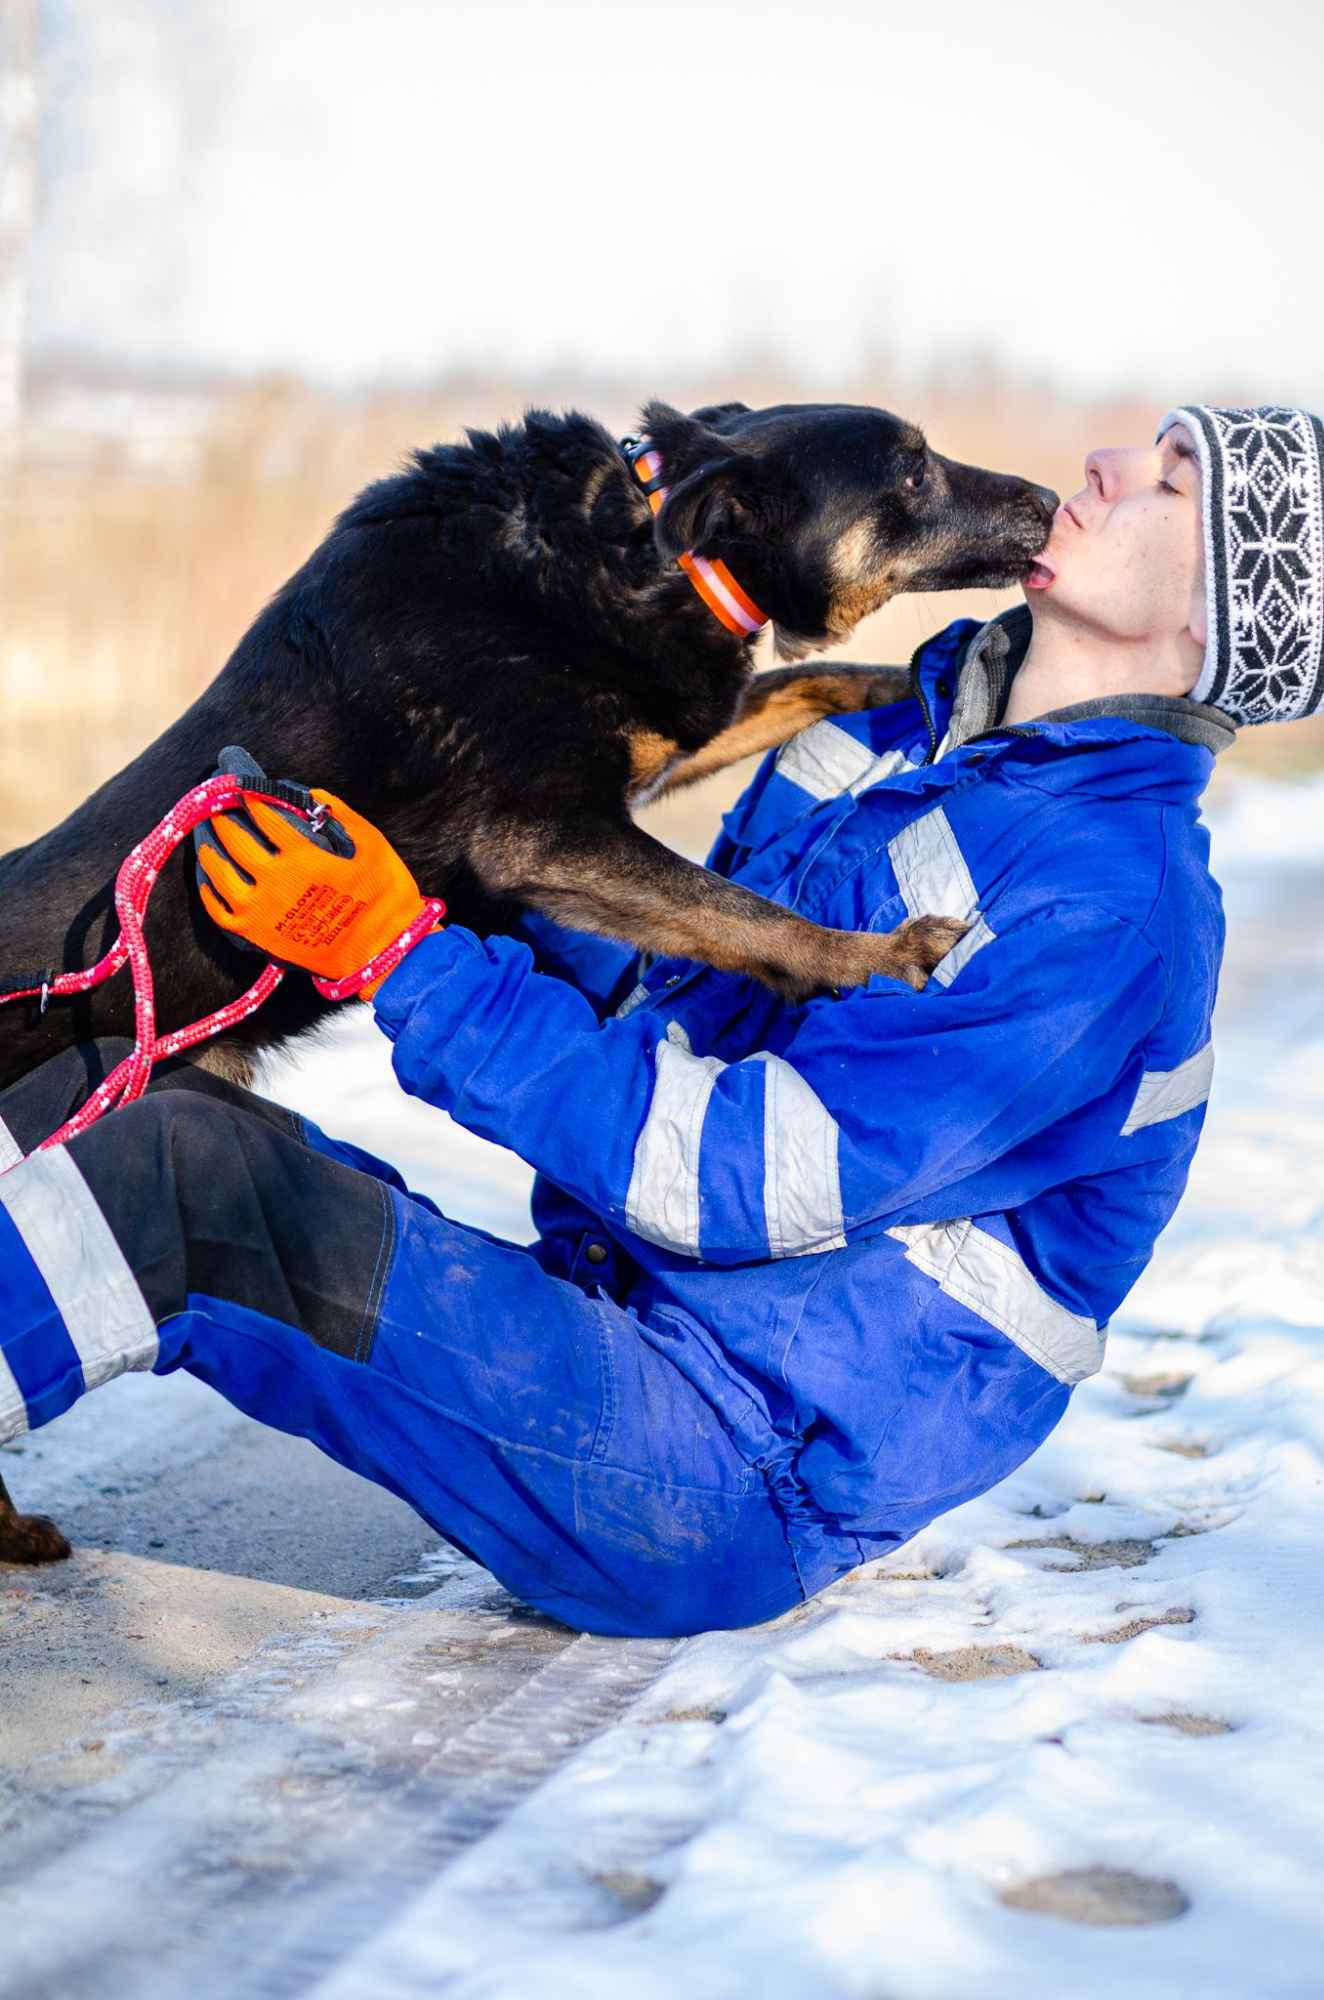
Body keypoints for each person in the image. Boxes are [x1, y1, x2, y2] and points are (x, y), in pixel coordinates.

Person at [1, 404, 1320, 1637]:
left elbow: (729, 1173)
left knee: (181, 1180)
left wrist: (398, 955)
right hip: (622, 1324)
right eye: (1146, 447)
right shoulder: (891, 750)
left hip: (728, 1466)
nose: (1109, 465)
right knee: (90, 1080)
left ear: (1211, 619)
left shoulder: (1108, 906)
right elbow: (674, 1010)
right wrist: (447, 857)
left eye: (1172, 484)